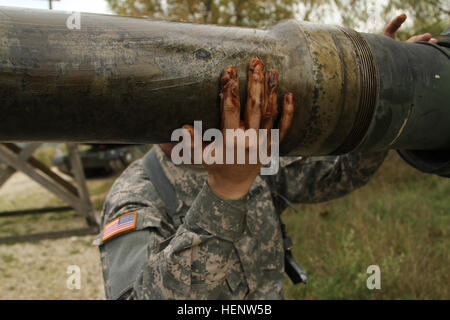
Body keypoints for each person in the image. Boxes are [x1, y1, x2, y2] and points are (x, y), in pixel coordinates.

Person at [94, 15, 437, 300]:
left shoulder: (256, 161)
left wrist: (382, 89)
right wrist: (226, 189)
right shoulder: (139, 194)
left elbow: (341, 174)